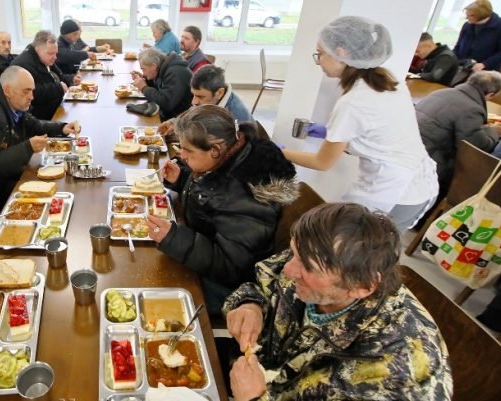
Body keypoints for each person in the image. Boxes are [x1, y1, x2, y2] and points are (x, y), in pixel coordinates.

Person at [222, 203, 453, 401]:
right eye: (293, 253)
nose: (289, 270)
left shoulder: (402, 367)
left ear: (362, 287)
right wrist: (250, 304)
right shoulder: (311, 255)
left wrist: (254, 398)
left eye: (308, 267)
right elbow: (261, 281)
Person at [281, 16, 438, 232]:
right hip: (417, 180)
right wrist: (329, 132)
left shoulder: (353, 102)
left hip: (395, 192)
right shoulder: (388, 81)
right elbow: (378, 132)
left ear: (342, 52)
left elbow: (322, 162)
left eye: (321, 54)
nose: (318, 62)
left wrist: (280, 151)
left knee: (358, 254)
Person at [147, 105, 298, 314]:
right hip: (204, 254)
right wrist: (181, 180)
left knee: (151, 287)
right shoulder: (226, 160)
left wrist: (173, 238)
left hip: (226, 287)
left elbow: (230, 265)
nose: (181, 156)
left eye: (187, 150)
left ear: (215, 149)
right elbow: (212, 200)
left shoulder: (246, 196)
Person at [0, 66, 80, 214]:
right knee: (54, 190)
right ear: (7, 90)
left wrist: (62, 128)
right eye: (26, 91)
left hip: (0, 179)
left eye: (32, 90)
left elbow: (34, 124)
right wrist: (27, 147)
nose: (32, 96)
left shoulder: (11, 102)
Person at [416, 70, 501, 200]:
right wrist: (494, 131)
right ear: (491, 94)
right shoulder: (472, 109)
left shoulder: (439, 93)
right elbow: (475, 145)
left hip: (412, 149)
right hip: (430, 164)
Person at [12, 30, 81, 120]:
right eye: (51, 53)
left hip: (55, 105)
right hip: (39, 116)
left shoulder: (44, 58)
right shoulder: (24, 65)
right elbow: (33, 93)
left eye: (56, 53)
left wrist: (72, 79)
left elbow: (59, 76)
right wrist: (58, 88)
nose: (55, 57)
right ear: (37, 49)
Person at [132, 47, 192, 121]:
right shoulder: (164, 66)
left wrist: (144, 88)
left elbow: (166, 103)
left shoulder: (175, 73)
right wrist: (145, 80)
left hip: (180, 120)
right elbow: (160, 88)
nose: (143, 72)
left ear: (154, 66)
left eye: (143, 69)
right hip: (170, 115)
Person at [453, 0, 501, 72]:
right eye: (467, 15)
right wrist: (452, 58)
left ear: (481, 16)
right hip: (463, 67)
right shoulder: (467, 25)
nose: (466, 18)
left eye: (470, 16)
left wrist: (484, 64)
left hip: (485, 72)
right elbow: (458, 46)